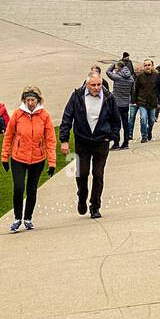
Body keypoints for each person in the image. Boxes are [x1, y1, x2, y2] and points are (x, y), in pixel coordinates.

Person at [59, 73, 122, 219]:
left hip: (101, 141)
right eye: (93, 85)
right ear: (87, 85)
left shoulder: (108, 98)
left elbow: (116, 119)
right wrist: (64, 140)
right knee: (82, 173)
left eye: (99, 85)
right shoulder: (77, 96)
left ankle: (95, 206)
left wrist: (111, 137)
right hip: (83, 141)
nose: (96, 88)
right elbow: (67, 117)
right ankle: (82, 196)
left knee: (98, 174)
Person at [1, 87, 56, 232]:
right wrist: (4, 157)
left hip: (37, 159)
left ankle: (28, 217)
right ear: (24, 100)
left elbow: (50, 140)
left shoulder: (44, 115)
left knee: (32, 190)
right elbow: (8, 136)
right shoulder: (17, 114)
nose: (30, 103)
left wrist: (52, 162)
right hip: (18, 157)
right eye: (28, 100)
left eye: (33, 100)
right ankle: (17, 217)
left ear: (38, 100)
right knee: (19, 188)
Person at [104, 58, 135, 150]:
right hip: (126, 104)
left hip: (117, 104)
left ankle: (116, 143)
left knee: (116, 124)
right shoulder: (131, 79)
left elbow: (108, 71)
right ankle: (126, 143)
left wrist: (114, 64)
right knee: (126, 124)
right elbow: (132, 91)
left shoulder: (117, 77)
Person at [133, 59, 160, 143]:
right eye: (145, 65)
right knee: (143, 119)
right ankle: (144, 136)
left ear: (152, 66)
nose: (147, 67)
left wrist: (159, 100)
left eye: (149, 65)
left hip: (153, 102)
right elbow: (136, 89)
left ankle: (149, 131)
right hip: (142, 102)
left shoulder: (157, 76)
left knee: (152, 120)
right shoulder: (140, 76)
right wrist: (134, 100)